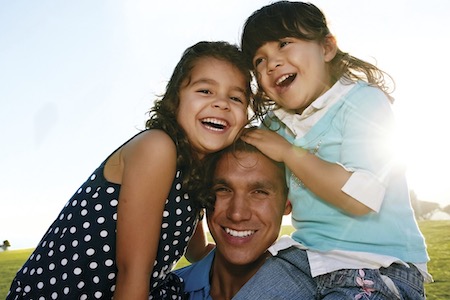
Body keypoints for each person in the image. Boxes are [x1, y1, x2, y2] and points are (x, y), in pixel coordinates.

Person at [6, 41, 253, 300]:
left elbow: (196, 251)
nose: (222, 104)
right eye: (205, 90)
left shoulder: (196, 171)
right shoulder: (156, 148)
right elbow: (133, 273)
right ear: (174, 99)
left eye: (235, 98)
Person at [238, 1, 432, 299]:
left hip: (378, 264)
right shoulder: (276, 126)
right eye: (259, 60)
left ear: (327, 47)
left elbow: (361, 199)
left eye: (284, 43)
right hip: (305, 258)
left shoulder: (363, 102)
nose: (272, 63)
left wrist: (290, 154)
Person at [174, 138, 316, 299]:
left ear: (288, 203)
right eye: (223, 189)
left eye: (259, 192)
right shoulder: (165, 291)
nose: (237, 214)